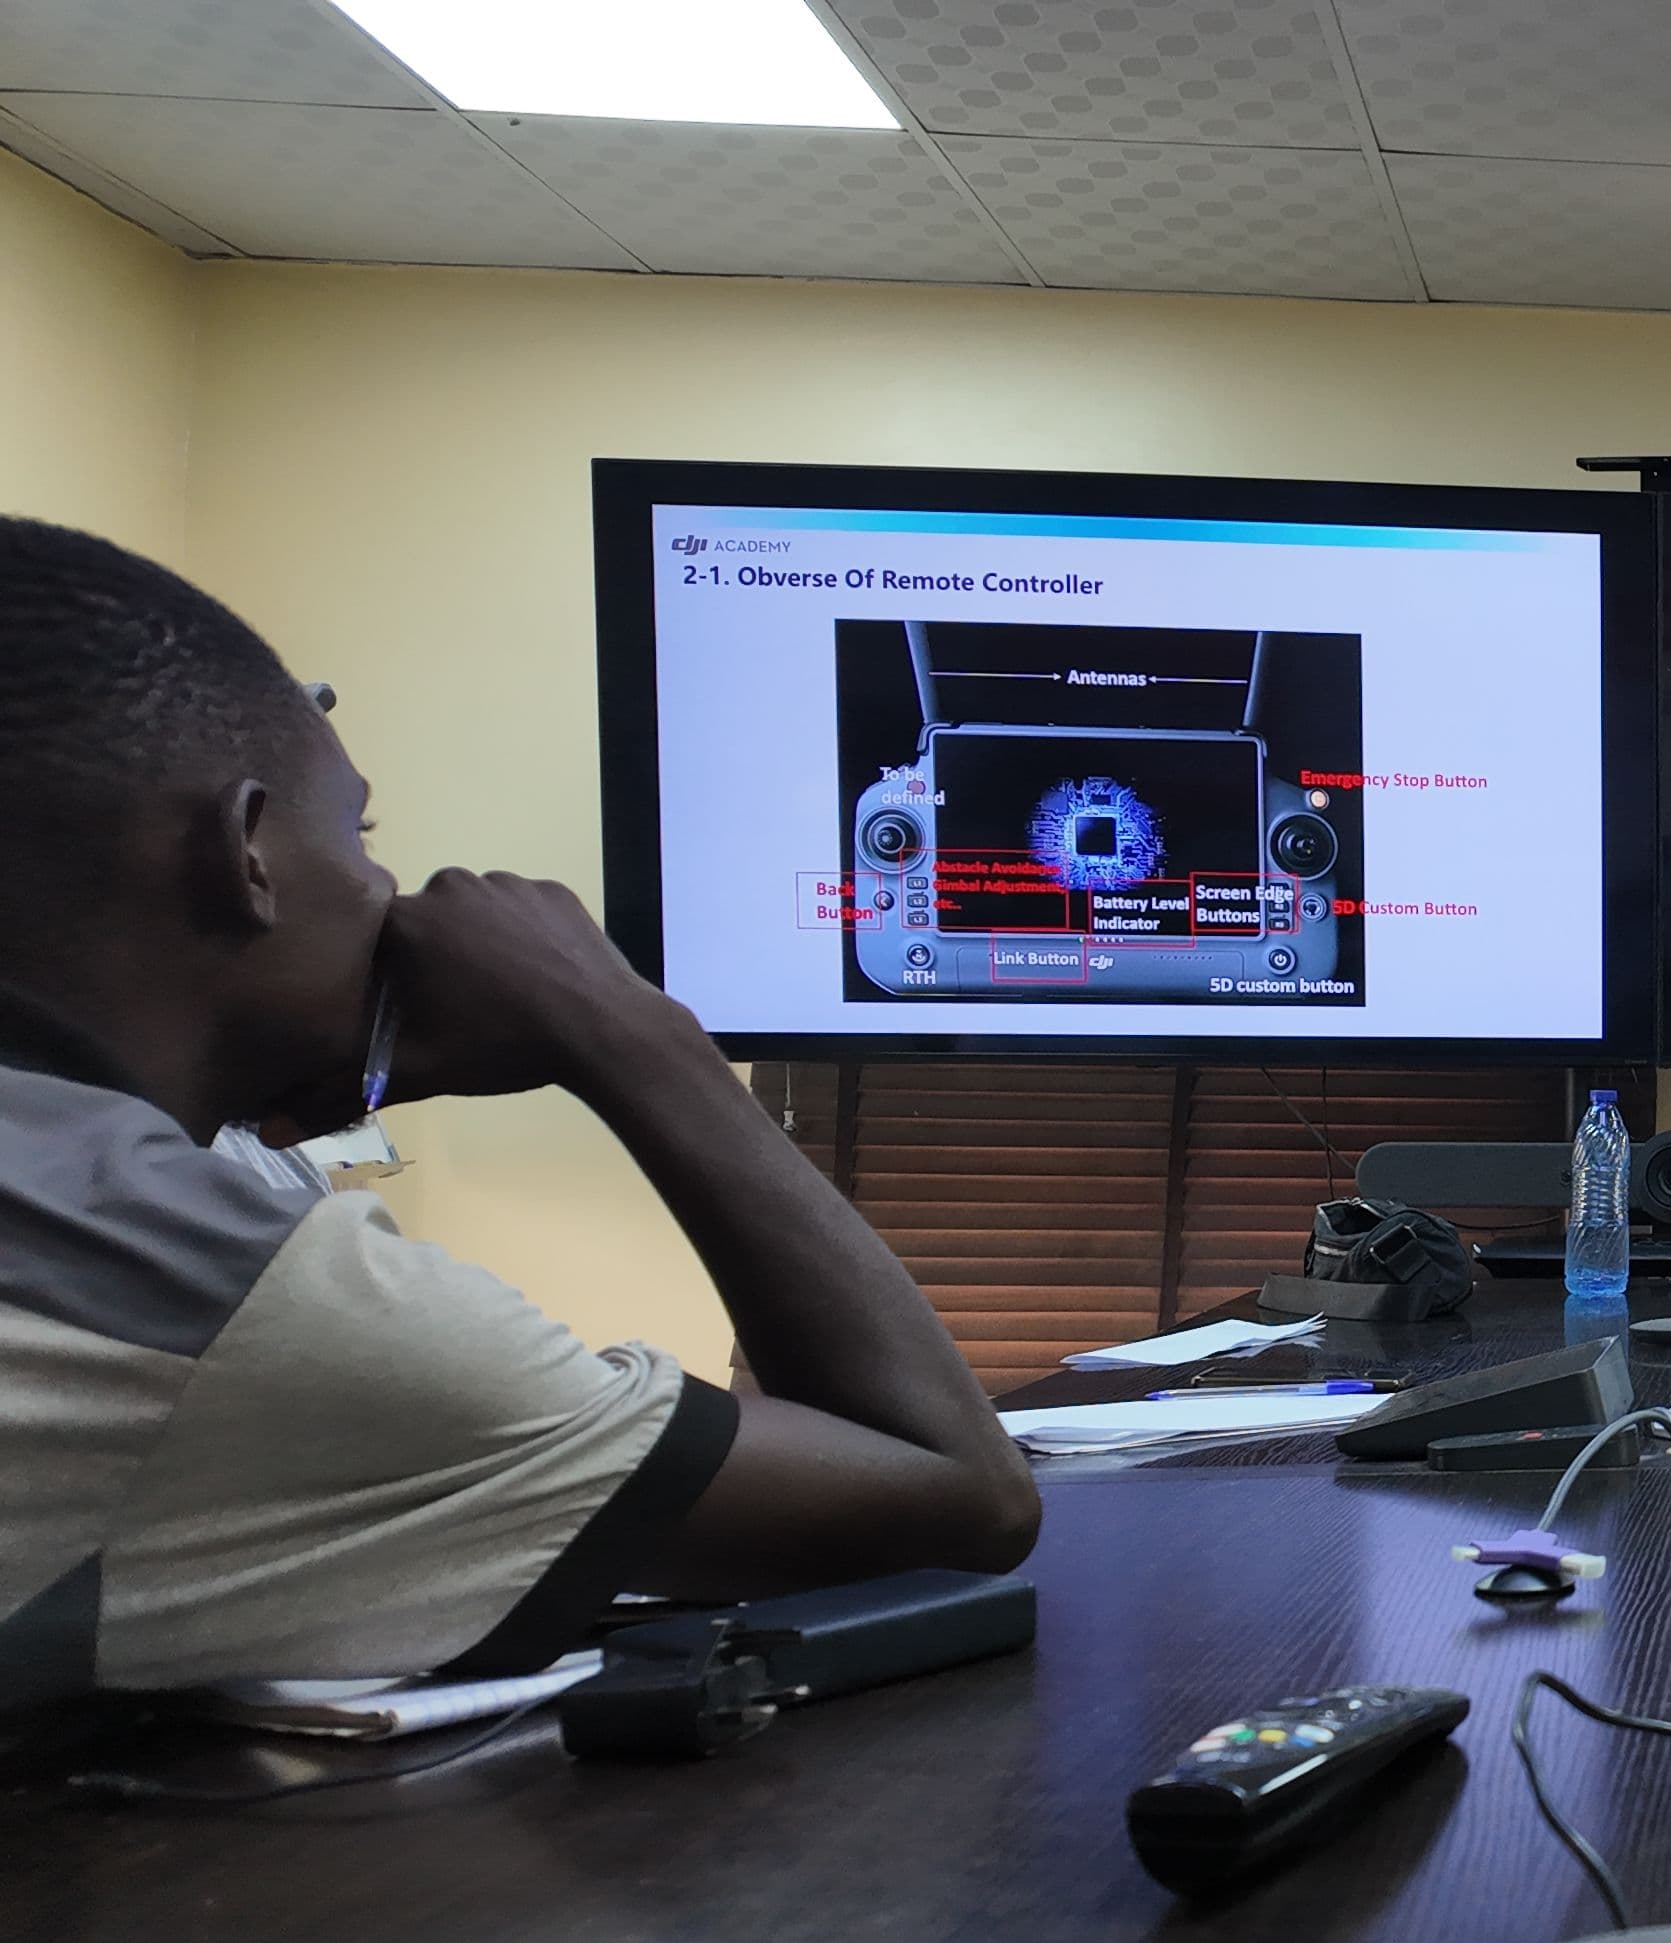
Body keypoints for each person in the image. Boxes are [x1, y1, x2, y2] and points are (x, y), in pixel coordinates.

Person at [0, 516, 1037, 1716]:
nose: (385, 891)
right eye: (359, 835)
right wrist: (631, 1033)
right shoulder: (202, 1284)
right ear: (248, 853)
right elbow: (960, 1503)